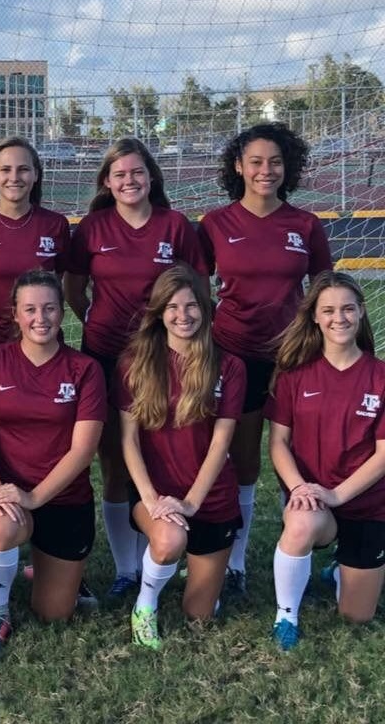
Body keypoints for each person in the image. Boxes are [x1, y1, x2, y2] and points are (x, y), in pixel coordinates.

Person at [66, 137, 207, 601]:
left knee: (164, 449)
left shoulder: (175, 226)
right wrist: (95, 320)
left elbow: (198, 290)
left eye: (138, 172)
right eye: (120, 174)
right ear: (107, 182)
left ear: (152, 178)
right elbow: (75, 289)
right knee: (115, 460)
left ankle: (161, 552)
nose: (129, 181)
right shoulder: (91, 227)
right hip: (106, 353)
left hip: (164, 355)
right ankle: (128, 568)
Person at [198, 122, 332, 598]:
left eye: (274, 161)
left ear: (287, 166)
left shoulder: (305, 224)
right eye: (255, 161)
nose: (265, 170)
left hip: (294, 358)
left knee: (299, 458)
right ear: (238, 166)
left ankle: (305, 548)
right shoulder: (215, 223)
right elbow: (195, 290)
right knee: (243, 460)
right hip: (235, 356)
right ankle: (235, 563)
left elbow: (325, 291)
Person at [0, 270, 105, 657]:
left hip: (62, 496)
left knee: (54, 613)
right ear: (15, 314)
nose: (39, 318)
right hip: (7, 491)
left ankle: (48, 572)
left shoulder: (84, 370)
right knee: (3, 522)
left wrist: (34, 496)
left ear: (63, 313)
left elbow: (82, 451)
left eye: (49, 308)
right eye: (30, 309)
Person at [116, 265, 245, 650]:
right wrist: (154, 501)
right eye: (172, 306)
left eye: (192, 306)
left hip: (210, 498)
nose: (183, 315)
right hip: (156, 494)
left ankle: (201, 576)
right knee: (169, 537)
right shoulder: (133, 363)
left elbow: (221, 443)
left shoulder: (229, 366)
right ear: (158, 313)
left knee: (200, 614)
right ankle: (146, 603)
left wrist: (190, 502)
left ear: (206, 310)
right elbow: (129, 441)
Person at [265, 271, 385, 650]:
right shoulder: (294, 375)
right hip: (314, 501)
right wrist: (301, 488)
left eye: (348, 309)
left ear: (362, 313)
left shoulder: (380, 376)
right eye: (329, 310)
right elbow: (279, 443)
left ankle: (340, 571)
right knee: (300, 523)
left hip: (367, 505)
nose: (340, 318)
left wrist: (336, 493)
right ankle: (286, 616)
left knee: (356, 616)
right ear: (314, 316)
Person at [0, 137, 70, 374]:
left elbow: (58, 283)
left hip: (40, 337)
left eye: (24, 169)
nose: (14, 177)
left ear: (36, 175)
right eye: (5, 170)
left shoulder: (55, 225)